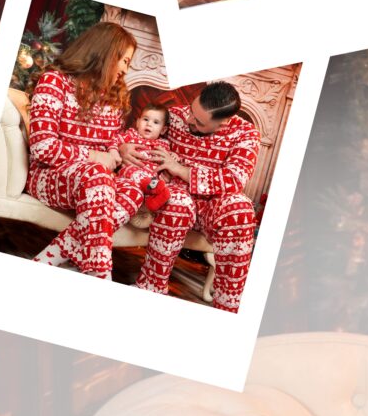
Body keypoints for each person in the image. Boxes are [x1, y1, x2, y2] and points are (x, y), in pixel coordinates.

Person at [26, 22, 146, 278]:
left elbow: (110, 140)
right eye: (123, 60)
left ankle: (49, 258)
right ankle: (100, 274)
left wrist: (116, 150)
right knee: (97, 176)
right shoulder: (54, 82)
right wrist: (93, 157)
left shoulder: (112, 95)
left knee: (135, 188)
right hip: (49, 175)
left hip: (93, 179)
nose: (125, 69)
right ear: (104, 54)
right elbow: (42, 147)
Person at [140, 83, 261, 313]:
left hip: (214, 205)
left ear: (223, 122)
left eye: (199, 122)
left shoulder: (246, 134)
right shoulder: (174, 116)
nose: (189, 120)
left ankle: (227, 308)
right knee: (177, 202)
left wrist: (181, 170)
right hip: (175, 194)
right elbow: (141, 136)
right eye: (191, 112)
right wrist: (124, 148)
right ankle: (151, 288)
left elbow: (234, 180)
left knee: (241, 210)